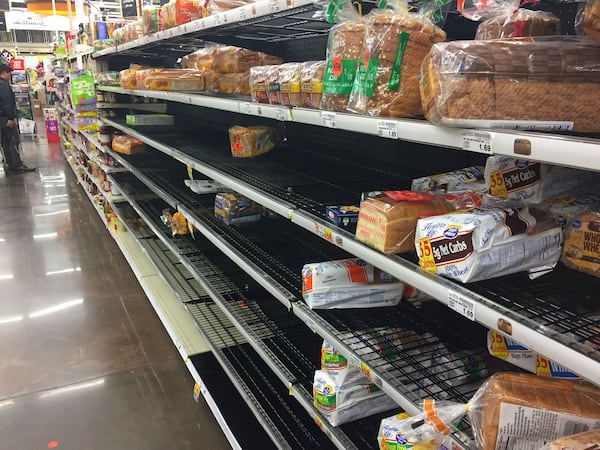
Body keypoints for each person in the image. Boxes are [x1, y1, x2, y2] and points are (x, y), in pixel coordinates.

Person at [0, 62, 34, 172]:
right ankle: (16, 164)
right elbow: (7, 103)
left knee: (6, 141)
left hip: (2, 119)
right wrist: (10, 118)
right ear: (4, 72)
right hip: (6, 118)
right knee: (13, 141)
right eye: (9, 73)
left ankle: (10, 164)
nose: (10, 75)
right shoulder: (4, 86)